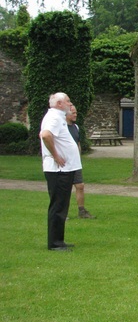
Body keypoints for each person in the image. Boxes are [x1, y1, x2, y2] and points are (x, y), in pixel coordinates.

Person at [39, 92, 82, 251]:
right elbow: (45, 135)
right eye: (68, 101)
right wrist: (56, 156)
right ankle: (55, 243)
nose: (70, 104)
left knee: (62, 205)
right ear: (59, 104)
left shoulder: (58, 117)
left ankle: (59, 240)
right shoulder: (54, 117)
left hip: (65, 169)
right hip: (58, 170)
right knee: (58, 205)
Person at [65, 104, 95, 219]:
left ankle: (81, 211)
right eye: (73, 113)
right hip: (64, 163)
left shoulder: (76, 127)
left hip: (75, 163)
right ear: (66, 114)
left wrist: (78, 157)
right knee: (65, 188)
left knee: (80, 186)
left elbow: (77, 143)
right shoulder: (61, 127)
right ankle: (64, 212)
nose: (75, 115)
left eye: (76, 113)